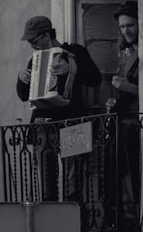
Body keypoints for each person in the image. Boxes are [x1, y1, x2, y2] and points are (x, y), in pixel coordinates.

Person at [15, 16, 101, 204]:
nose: (31, 46)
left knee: (74, 183)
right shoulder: (34, 60)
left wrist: (72, 69)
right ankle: (52, 229)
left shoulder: (75, 52)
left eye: (34, 41)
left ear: (46, 35)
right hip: (43, 127)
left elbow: (95, 80)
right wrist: (21, 79)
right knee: (46, 186)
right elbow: (24, 95)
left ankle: (75, 229)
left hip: (73, 123)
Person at [107, 0, 141, 232]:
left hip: (137, 127)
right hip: (124, 126)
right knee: (119, 183)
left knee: (135, 183)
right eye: (122, 27)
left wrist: (126, 88)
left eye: (130, 25)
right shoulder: (127, 54)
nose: (126, 31)